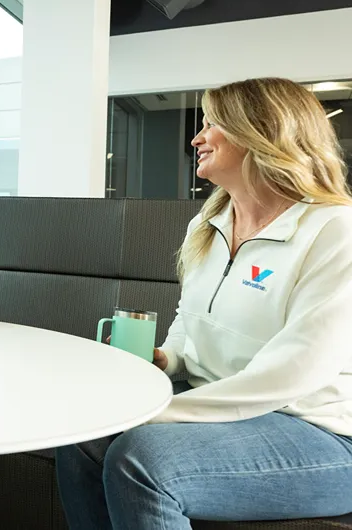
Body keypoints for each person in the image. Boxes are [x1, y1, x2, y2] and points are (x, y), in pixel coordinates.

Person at [56, 77, 352, 528]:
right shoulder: (208, 222)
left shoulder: (335, 229)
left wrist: (158, 412)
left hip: (316, 430)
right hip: (211, 403)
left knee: (142, 457)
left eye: (212, 124)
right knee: (82, 431)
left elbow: (295, 371)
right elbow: (188, 322)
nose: (196, 138)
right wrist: (164, 358)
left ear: (259, 131)